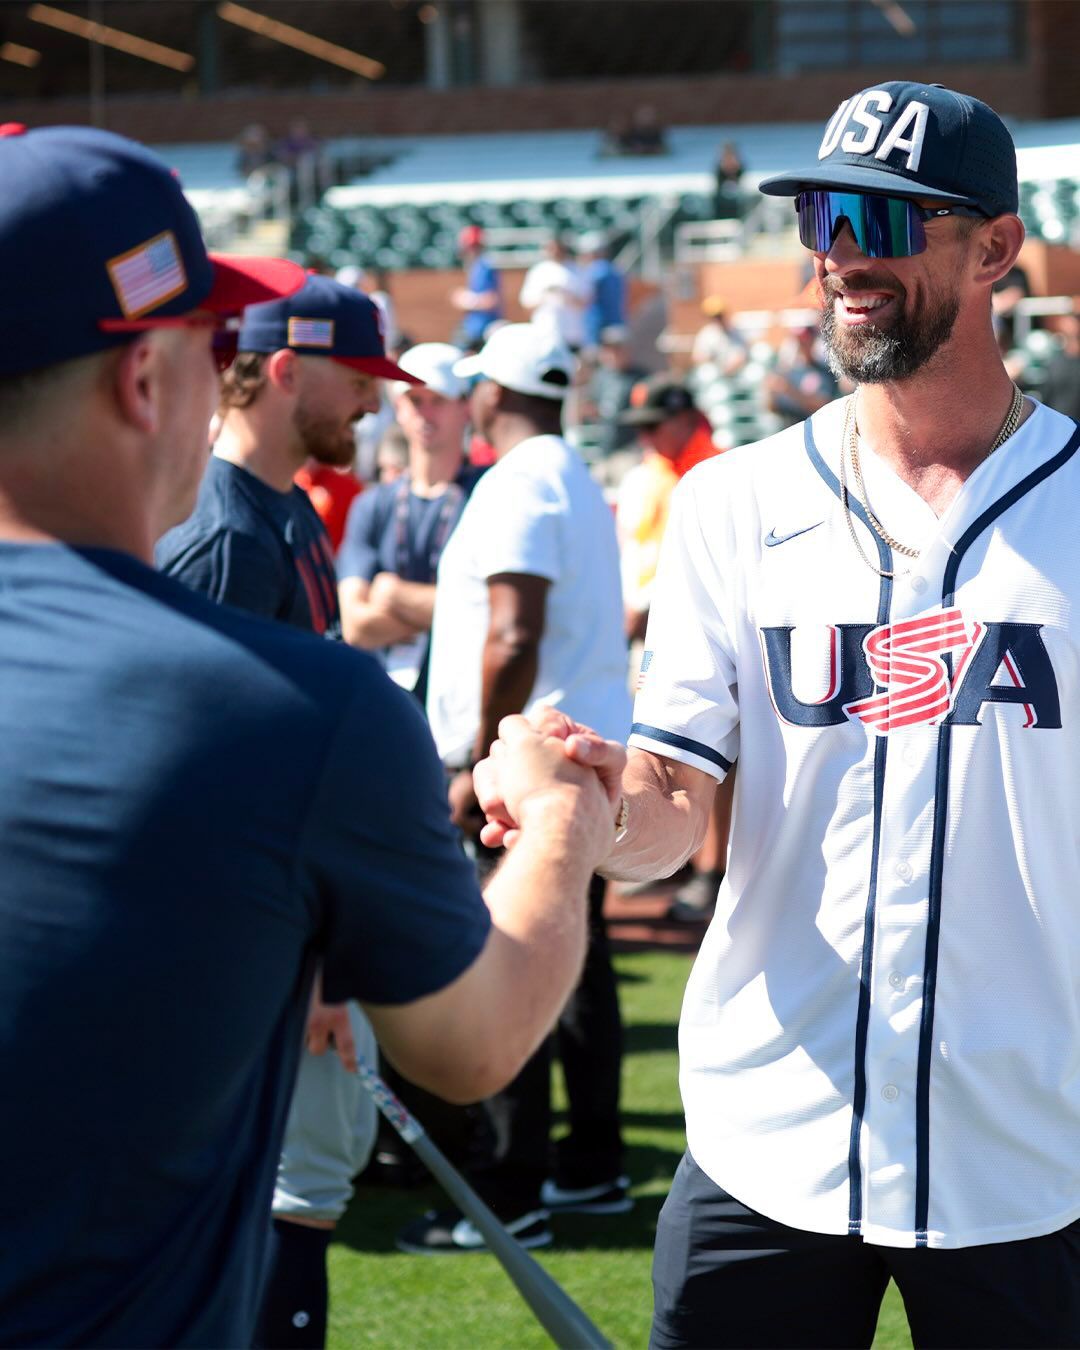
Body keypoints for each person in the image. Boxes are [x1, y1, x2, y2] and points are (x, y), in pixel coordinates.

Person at [0, 123, 623, 1348]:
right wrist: (561, 818)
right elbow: (475, 1042)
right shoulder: (293, 709)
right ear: (144, 381)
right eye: (208, 344)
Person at [478, 82, 1080, 1349]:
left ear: (994, 250)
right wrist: (588, 806)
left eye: (885, 218)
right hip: (773, 1137)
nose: (842, 253)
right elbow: (671, 806)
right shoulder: (733, 502)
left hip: (1038, 1147)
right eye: (822, 217)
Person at [157, 273, 425, 1347]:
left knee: (301, 1189)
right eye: (355, 376)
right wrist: (310, 960)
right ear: (281, 371)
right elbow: (202, 786)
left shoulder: (285, 511)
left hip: (293, 930)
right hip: (258, 950)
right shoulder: (227, 533)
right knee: (288, 1197)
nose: (372, 399)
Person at [408, 324, 633, 1253]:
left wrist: (479, 762)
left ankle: (510, 1190)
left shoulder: (519, 480)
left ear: (493, 394)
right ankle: (591, 1163)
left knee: (513, 957)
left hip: (529, 759)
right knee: (577, 960)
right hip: (577, 749)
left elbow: (512, 632)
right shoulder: (567, 473)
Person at [338, 342, 480, 702]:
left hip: (463, 698)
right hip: (386, 698)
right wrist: (441, 615)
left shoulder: (488, 493)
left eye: (438, 400)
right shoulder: (372, 504)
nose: (425, 414)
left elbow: (491, 613)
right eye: (415, 400)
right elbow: (356, 625)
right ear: (398, 408)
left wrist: (392, 595)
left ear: (465, 407)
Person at [519, 233, 593, 353]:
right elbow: (527, 304)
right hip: (545, 333)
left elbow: (586, 302)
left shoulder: (577, 270)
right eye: (551, 248)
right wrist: (546, 295)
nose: (555, 252)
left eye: (558, 248)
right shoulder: (538, 271)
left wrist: (566, 296)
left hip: (571, 334)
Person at [451, 224, 502, 349]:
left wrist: (466, 300)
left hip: (481, 330)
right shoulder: (478, 266)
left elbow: (491, 300)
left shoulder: (484, 267)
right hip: (475, 327)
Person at [578, 231, 628, 353]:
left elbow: (586, 298)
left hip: (599, 327)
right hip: (617, 323)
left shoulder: (595, 270)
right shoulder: (615, 270)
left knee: (595, 360)